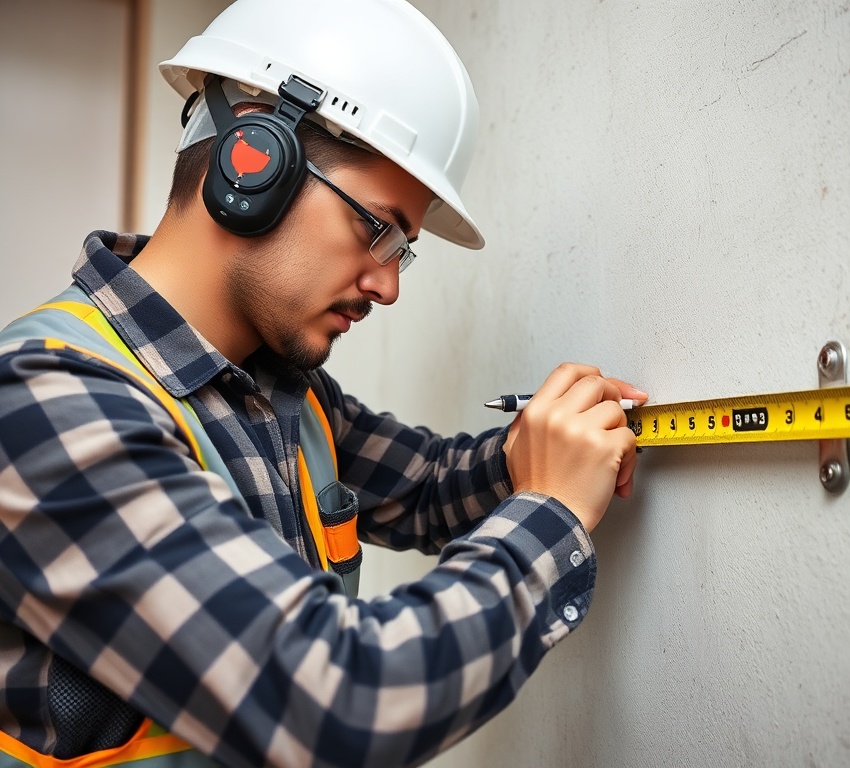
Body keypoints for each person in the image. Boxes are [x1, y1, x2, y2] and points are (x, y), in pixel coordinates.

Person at [0, 1, 647, 766]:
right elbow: (338, 701)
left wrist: (540, 452)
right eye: (377, 228)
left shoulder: (284, 392)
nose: (388, 286)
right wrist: (550, 512)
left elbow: (430, 487)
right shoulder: (45, 403)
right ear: (253, 161)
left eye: (402, 250)